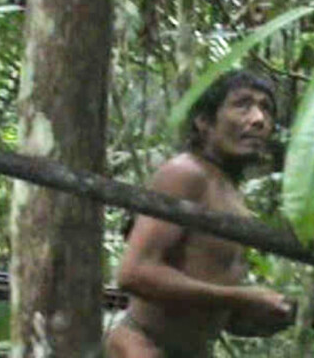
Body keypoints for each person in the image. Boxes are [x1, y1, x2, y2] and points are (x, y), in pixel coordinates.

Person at [106, 70, 292, 357]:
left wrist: (248, 315)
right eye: (242, 105)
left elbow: (200, 294)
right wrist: (241, 298)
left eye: (265, 108)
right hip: (143, 347)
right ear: (204, 122)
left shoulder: (229, 192)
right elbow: (134, 273)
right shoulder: (186, 173)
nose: (258, 119)